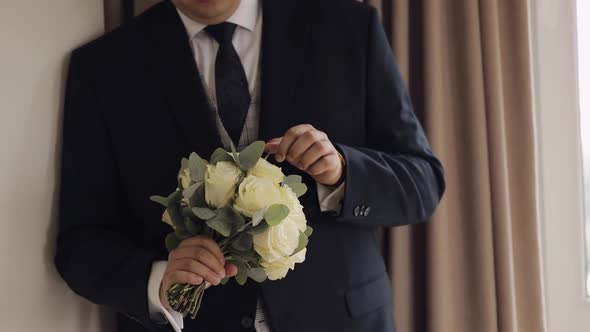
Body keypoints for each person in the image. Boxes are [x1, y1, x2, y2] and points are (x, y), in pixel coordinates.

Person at [54, 0, 445, 331]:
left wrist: (342, 173)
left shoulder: (347, 26)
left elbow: (422, 182)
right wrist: (160, 281)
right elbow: (82, 242)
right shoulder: (105, 67)